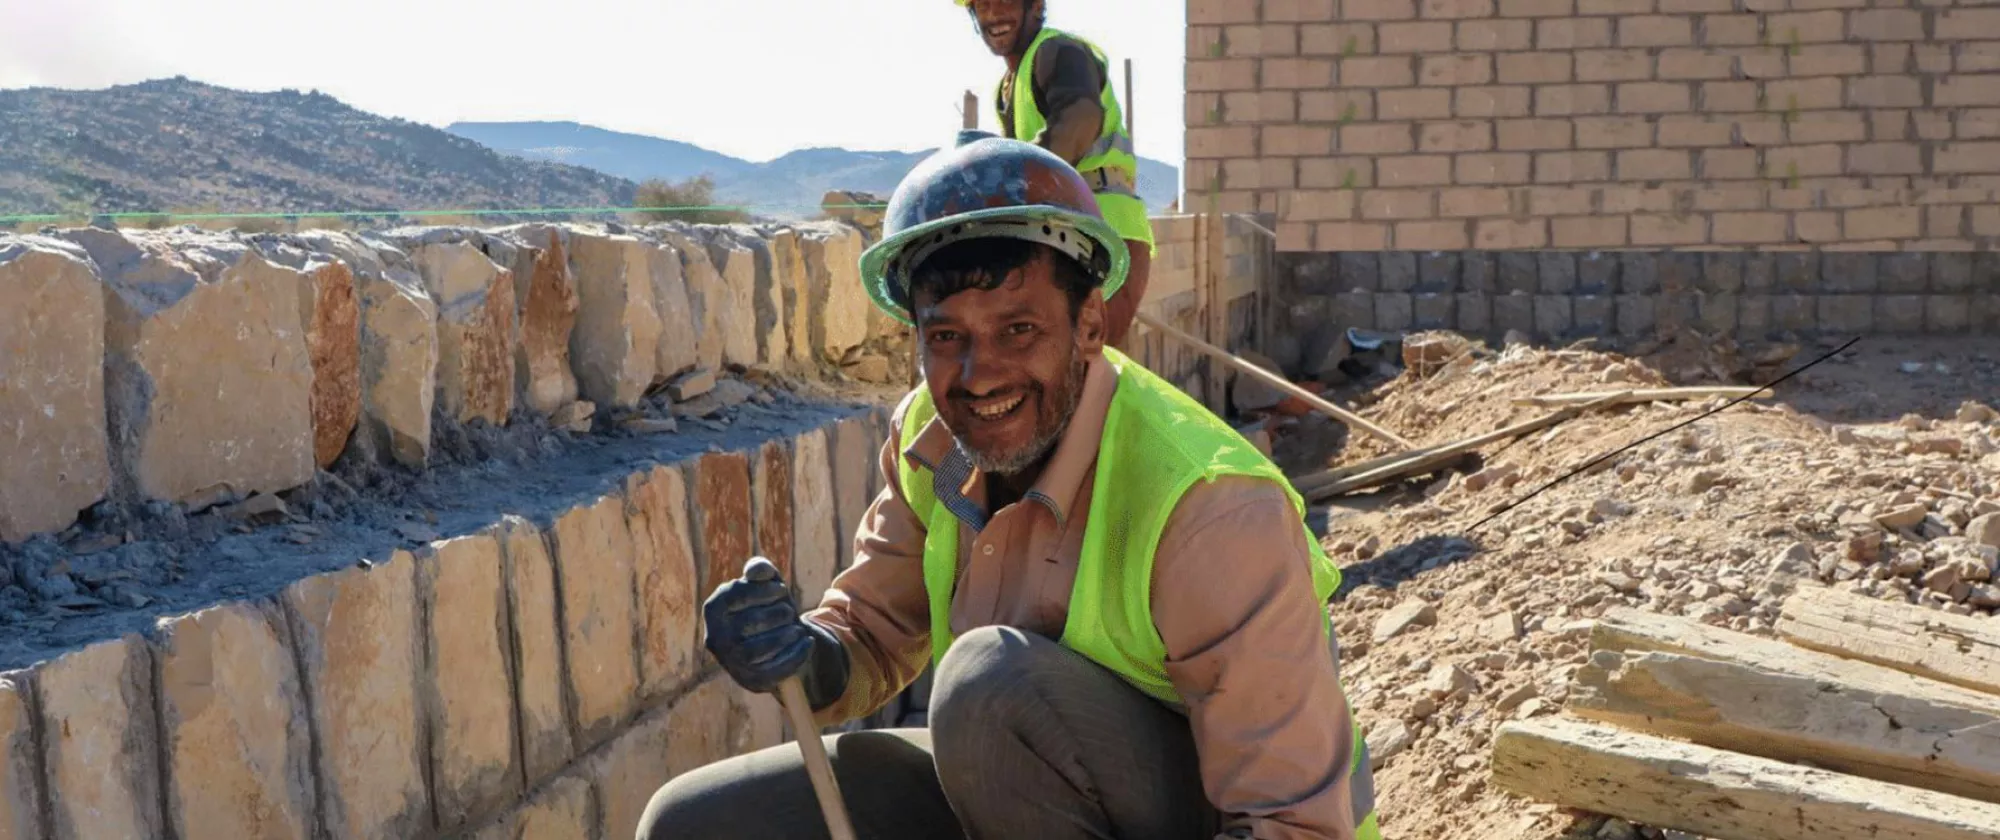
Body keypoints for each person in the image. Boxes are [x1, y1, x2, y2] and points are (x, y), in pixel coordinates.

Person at [636, 137, 1379, 840]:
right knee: (693, 822)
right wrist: (802, 653)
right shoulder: (932, 438)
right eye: (947, 337)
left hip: (1214, 815)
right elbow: (869, 635)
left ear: (1090, 326)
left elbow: (1291, 822)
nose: (978, 375)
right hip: (1028, 790)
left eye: (1018, 329)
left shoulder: (1210, 506)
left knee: (989, 688)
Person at [957, 0, 1154, 350]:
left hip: (1104, 228)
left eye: (1004, 1)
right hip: (1064, 229)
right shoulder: (1008, 87)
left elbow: (1079, 118)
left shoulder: (1058, 51)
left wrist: (1014, 187)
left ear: (1035, 5)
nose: (994, 14)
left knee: (1089, 365)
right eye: (982, 4)